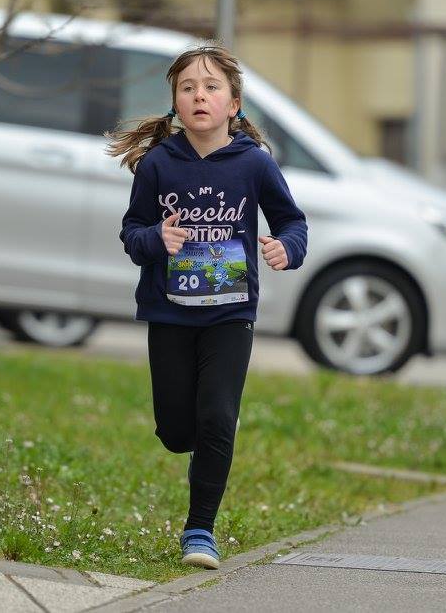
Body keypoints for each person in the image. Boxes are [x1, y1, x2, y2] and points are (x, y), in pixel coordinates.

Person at [109, 45, 308, 569]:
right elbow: (132, 233)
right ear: (176, 102)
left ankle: (200, 531)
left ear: (234, 104)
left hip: (230, 313)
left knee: (217, 417)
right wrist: (157, 238)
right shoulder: (158, 164)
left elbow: (292, 221)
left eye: (212, 87)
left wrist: (287, 248)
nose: (200, 95)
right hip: (170, 312)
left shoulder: (254, 164)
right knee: (178, 431)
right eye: (188, 88)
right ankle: (204, 439)